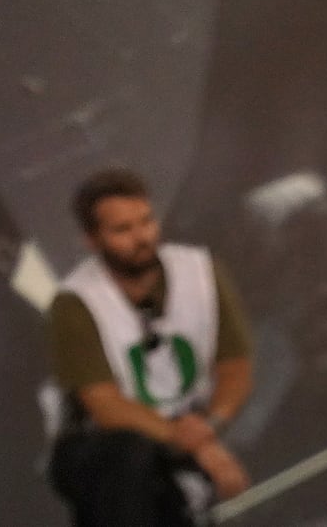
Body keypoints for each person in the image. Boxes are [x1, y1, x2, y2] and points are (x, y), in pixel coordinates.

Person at [44, 167, 253, 526]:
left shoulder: (200, 272)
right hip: (100, 448)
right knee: (131, 455)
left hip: (183, 433)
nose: (141, 237)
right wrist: (196, 444)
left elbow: (235, 365)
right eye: (122, 230)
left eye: (146, 221)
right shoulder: (75, 302)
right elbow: (105, 404)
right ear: (92, 241)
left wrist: (211, 425)